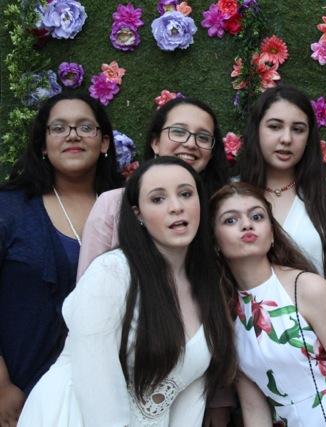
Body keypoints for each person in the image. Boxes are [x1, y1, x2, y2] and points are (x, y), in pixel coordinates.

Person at [18, 156, 236, 427]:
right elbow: (96, 385)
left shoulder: (208, 285)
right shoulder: (111, 272)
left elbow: (190, 395)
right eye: (158, 199)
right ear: (138, 215)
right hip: (73, 415)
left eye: (186, 194)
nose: (176, 207)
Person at [210, 182, 326, 426]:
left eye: (257, 216)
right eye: (230, 220)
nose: (246, 224)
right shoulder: (225, 313)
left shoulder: (308, 288)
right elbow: (253, 408)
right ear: (215, 242)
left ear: (272, 233)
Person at [0, 92, 121, 426]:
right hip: (18, 392)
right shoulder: (9, 208)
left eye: (85, 127)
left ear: (104, 142)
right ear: (43, 144)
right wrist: (0, 385)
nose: (72, 135)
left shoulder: (127, 209)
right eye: (59, 128)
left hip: (104, 396)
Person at [77, 96, 230, 278]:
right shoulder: (113, 203)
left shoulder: (222, 208)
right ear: (155, 143)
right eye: (179, 132)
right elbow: (88, 285)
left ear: (211, 154)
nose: (190, 143)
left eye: (203, 137)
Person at [237, 85, 326, 282]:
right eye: (275, 126)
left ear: (308, 138)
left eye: (298, 130)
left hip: (317, 310)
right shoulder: (232, 194)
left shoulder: (325, 194)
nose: (287, 139)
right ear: (257, 130)